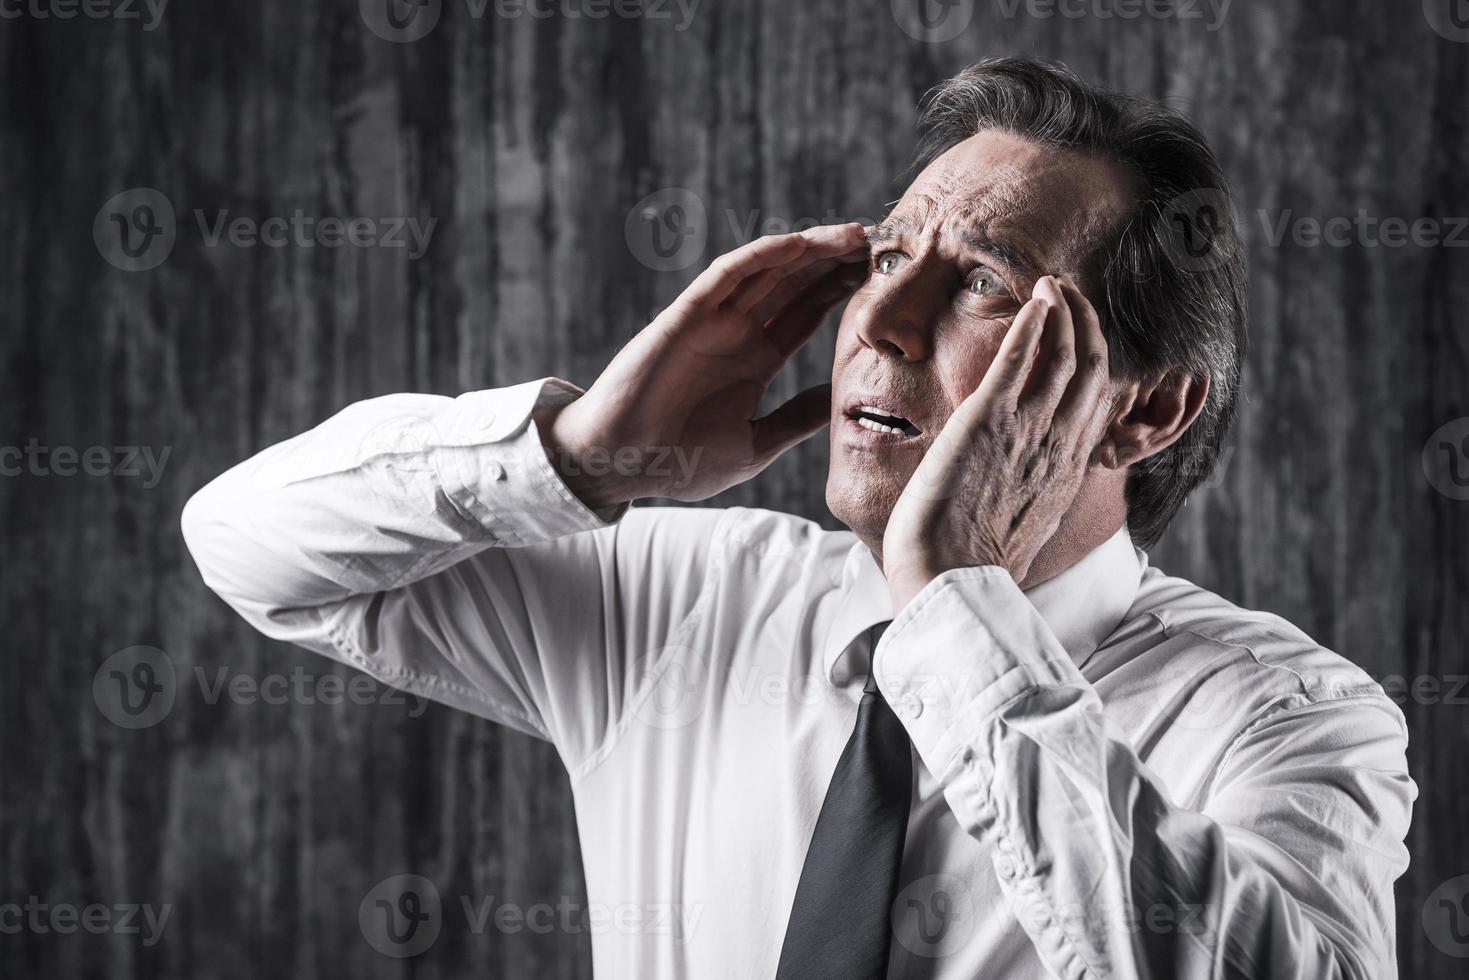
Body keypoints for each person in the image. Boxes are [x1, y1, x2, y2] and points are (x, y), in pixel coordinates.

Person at [181, 58, 1414, 978]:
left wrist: (958, 610)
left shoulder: (1292, 722)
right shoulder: (685, 601)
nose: (879, 324)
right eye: (885, 258)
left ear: (1143, 409)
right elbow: (250, 546)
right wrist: (579, 457)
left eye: (979, 282)